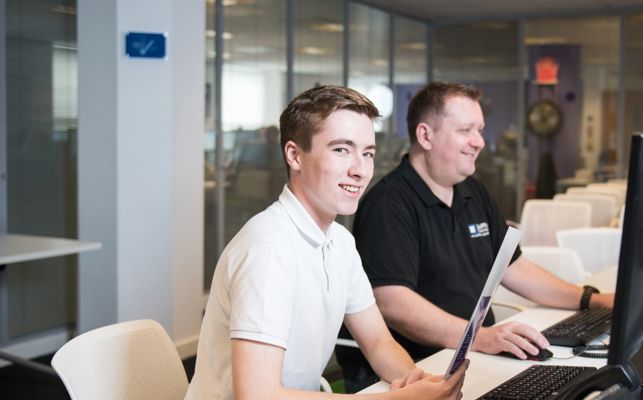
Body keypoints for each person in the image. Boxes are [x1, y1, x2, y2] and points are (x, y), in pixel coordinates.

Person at [186, 85, 468, 400]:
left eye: (368, 153)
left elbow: (378, 343)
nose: (360, 170)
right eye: (341, 150)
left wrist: (416, 381)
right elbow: (257, 395)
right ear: (295, 155)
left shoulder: (340, 242)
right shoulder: (268, 249)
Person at [336, 81, 614, 392]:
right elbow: (392, 302)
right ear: (425, 135)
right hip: (418, 368)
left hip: (474, 354)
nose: (479, 142)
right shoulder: (389, 205)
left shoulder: (471, 190)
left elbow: (513, 267)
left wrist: (591, 299)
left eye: (480, 130)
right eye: (466, 130)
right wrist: (480, 337)